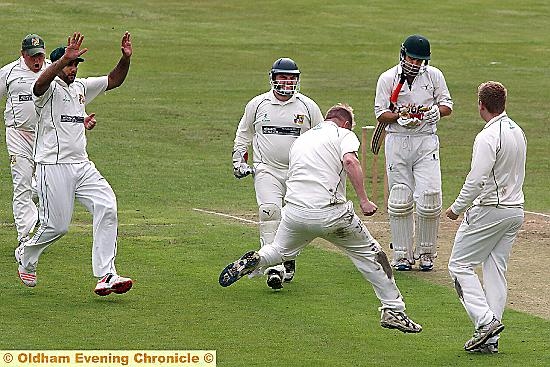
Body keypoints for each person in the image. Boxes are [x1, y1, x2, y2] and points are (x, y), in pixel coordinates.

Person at [220, 104, 422, 333]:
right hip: (331, 213)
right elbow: (350, 162)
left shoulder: (302, 140)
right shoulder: (343, 134)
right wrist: (364, 200)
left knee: (279, 250)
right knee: (372, 254)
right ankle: (394, 309)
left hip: (295, 211)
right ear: (346, 123)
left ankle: (257, 259)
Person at [14, 32, 133, 297]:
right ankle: (26, 253)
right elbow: (38, 86)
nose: (73, 69)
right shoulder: (47, 87)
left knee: (108, 206)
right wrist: (59, 62)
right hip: (52, 165)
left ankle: (106, 274)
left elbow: (113, 80)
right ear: (57, 65)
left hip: (82, 165)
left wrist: (125, 59)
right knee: (57, 227)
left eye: (76, 64)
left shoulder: (80, 87)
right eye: (69, 64)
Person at [446, 81, 526, 353]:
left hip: (490, 209)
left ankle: (485, 321)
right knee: (494, 271)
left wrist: (456, 208)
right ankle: (490, 340)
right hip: (515, 211)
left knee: (459, 266)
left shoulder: (488, 136)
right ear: (503, 103)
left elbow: (477, 178)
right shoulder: (518, 131)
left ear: (481, 105)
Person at [232, 57, 323, 289]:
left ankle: (288, 256)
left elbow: (323, 138)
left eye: (292, 77)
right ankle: (275, 267)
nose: (288, 81)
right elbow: (244, 134)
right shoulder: (258, 104)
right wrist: (238, 159)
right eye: (283, 76)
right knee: (269, 212)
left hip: (299, 172)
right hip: (267, 169)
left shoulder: (308, 106)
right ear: (273, 78)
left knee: (296, 217)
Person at [0, 34, 96, 246]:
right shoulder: (9, 73)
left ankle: (36, 201)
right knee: (21, 184)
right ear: (22, 55)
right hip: (18, 135)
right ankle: (25, 238)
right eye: (32, 56)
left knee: (40, 186)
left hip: (47, 138)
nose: (37, 61)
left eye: (40, 55)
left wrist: (82, 118)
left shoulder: (54, 68)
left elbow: (70, 97)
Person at [373, 34, 453, 271]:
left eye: (420, 60)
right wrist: (400, 116)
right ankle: (401, 255)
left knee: (429, 197)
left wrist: (436, 112)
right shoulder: (387, 78)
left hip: (425, 140)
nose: (415, 64)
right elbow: (380, 114)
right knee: (400, 199)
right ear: (402, 54)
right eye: (412, 58)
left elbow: (447, 104)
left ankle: (427, 253)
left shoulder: (434, 76)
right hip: (397, 140)